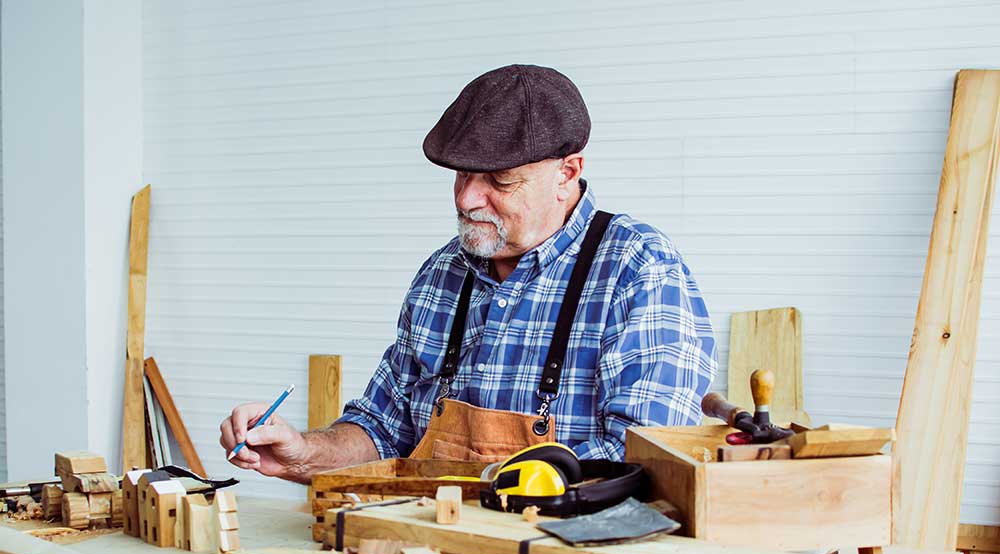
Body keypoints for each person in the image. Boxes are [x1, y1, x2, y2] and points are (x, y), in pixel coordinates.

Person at [219, 64, 718, 484]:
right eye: (462, 174)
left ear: (566, 174)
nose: (466, 199)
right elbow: (384, 429)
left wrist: (488, 485)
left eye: (500, 180)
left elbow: (645, 462)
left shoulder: (637, 270)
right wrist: (302, 451)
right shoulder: (442, 275)